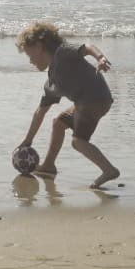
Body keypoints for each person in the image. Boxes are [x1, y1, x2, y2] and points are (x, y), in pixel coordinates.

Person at [15, 22, 120, 189]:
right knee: (59, 123)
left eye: (29, 55)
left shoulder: (62, 52)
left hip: (92, 100)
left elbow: (87, 47)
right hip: (92, 101)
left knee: (78, 142)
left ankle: (109, 170)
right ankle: (48, 166)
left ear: (39, 46)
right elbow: (40, 112)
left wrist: (100, 58)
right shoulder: (52, 83)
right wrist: (28, 140)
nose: (30, 61)